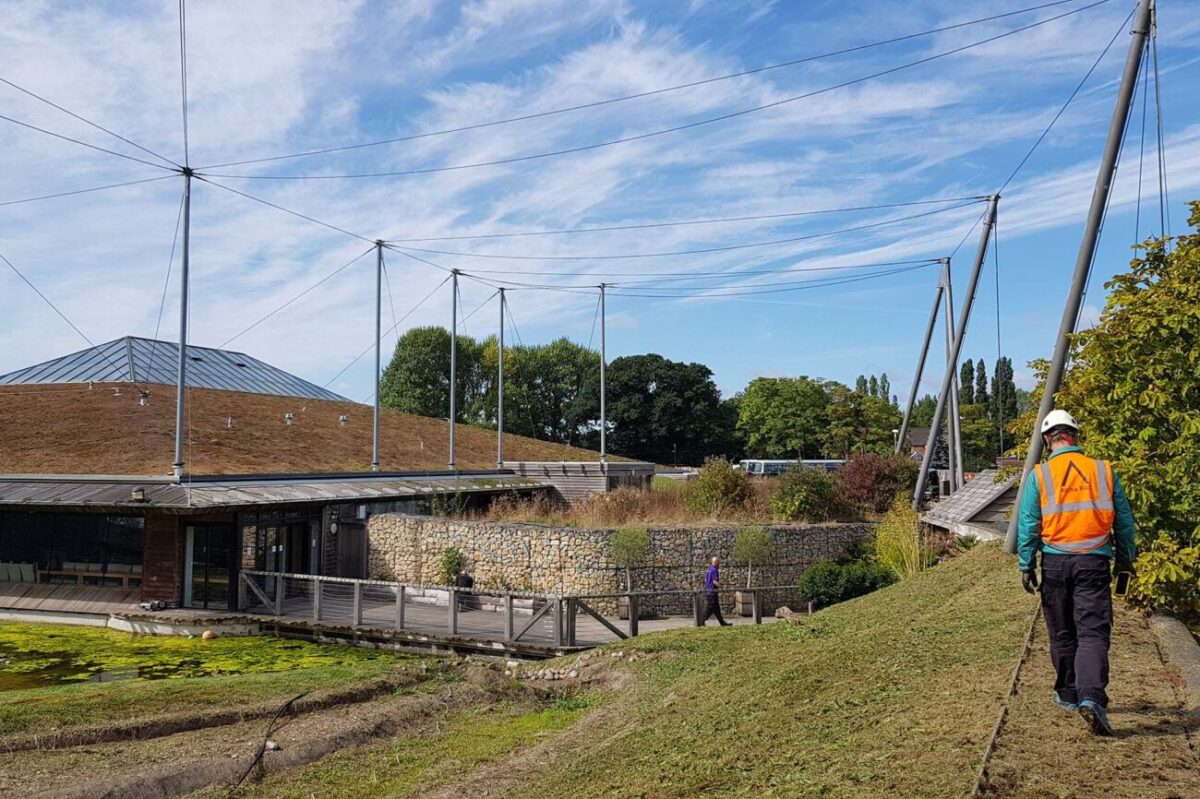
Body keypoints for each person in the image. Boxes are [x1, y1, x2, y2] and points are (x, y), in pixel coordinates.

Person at [1017, 409, 1136, 737]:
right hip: (1094, 563)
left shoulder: (1039, 476)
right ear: (1076, 436)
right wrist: (1126, 561)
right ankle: (1092, 696)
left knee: (1062, 631)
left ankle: (1069, 694)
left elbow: (1029, 526)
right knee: (1093, 633)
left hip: (1054, 564)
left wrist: (1026, 565)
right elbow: (1124, 522)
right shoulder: (1104, 471)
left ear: (1047, 440)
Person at [702, 556, 732, 627]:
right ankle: (701, 621)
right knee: (710, 608)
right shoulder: (714, 570)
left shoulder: (708, 569)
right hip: (713, 592)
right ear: (716, 562)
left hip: (709, 591)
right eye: (718, 562)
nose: (719, 563)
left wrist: (708, 586)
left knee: (716, 609)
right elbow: (715, 581)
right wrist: (722, 587)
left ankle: (722, 623)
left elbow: (706, 580)